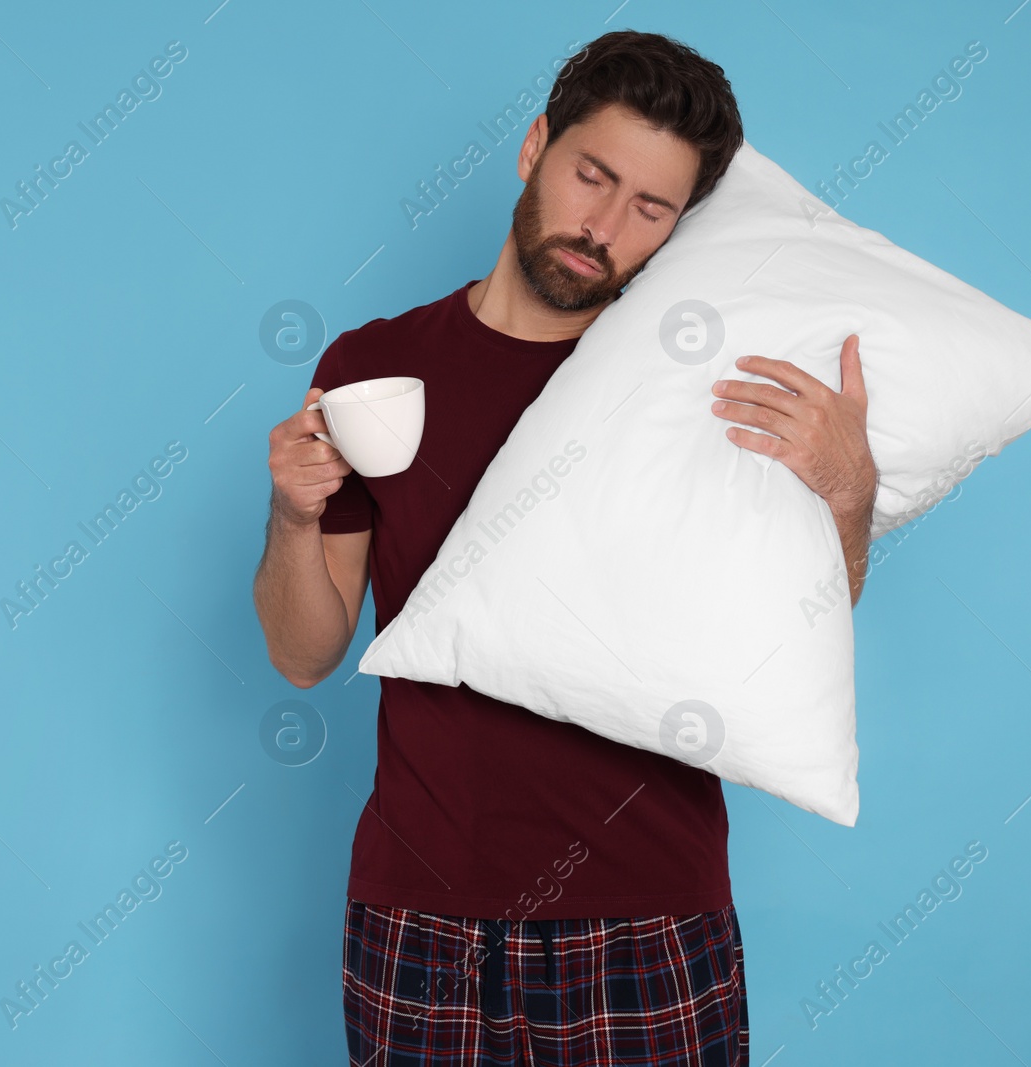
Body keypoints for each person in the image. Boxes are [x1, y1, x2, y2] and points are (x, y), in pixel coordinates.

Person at [253, 28, 876, 1067]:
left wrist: (847, 489)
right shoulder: (375, 366)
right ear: (535, 145)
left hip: (651, 907)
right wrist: (291, 516)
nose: (603, 225)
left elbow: (783, 636)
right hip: (423, 909)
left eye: (650, 208)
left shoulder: (693, 383)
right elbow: (302, 653)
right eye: (592, 174)